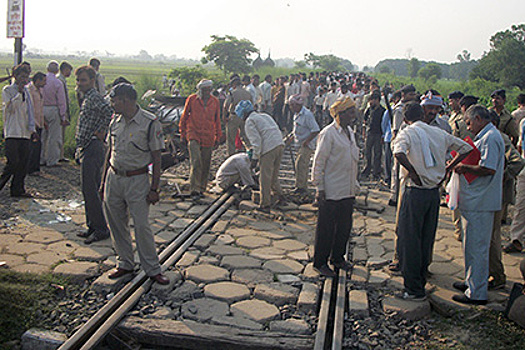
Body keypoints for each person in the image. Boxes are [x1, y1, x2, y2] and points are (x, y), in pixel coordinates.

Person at [393, 102, 472, 301]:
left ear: (405, 118)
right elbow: (465, 148)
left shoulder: (407, 132)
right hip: (433, 193)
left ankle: (413, 289)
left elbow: (398, 152)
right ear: (423, 115)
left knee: (410, 239)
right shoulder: (438, 133)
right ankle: (421, 276)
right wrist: (448, 167)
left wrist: (412, 171)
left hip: (415, 190)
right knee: (426, 237)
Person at [102, 83, 169, 285]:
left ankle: (152, 268)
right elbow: (110, 151)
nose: (112, 104)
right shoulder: (115, 121)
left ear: (126, 100)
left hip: (138, 180)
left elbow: (157, 158)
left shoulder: (149, 122)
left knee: (141, 226)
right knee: (116, 223)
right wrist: (102, 179)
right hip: (114, 178)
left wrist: (155, 188)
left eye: (115, 101)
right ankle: (125, 263)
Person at [452, 105, 505, 305]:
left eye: (469, 123)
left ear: (480, 119)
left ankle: (477, 292)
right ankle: (470, 281)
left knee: (478, 248)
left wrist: (464, 167)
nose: (468, 127)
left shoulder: (491, 137)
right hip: (475, 199)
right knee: (470, 245)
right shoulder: (485, 135)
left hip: (482, 201)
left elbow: (488, 168)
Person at [311, 96, 359, 277]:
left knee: (344, 226)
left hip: (347, 189)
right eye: (350, 112)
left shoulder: (350, 132)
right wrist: (319, 188)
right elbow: (319, 162)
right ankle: (320, 262)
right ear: (340, 114)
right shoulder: (328, 133)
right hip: (331, 189)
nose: (353, 116)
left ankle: (338, 258)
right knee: (326, 228)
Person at [74, 65, 113, 244]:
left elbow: (110, 112)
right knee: (87, 189)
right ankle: (92, 225)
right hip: (86, 146)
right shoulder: (87, 97)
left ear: (92, 80)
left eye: (83, 80)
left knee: (91, 189)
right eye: (78, 80)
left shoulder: (95, 97)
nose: (80, 83)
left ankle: (100, 229)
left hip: (93, 145)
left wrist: (102, 130)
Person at [235, 100, 284, 213]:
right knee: (274, 175)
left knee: (264, 178)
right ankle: (280, 197)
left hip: (269, 148)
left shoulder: (249, 122)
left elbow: (257, 143)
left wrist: (254, 160)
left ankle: (265, 204)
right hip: (279, 144)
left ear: (243, 114)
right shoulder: (264, 115)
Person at [179, 79, 222, 200]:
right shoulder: (192, 99)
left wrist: (218, 136)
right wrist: (182, 134)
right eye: (204, 90)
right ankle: (194, 188)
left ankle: (202, 187)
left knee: (206, 163)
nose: (206, 92)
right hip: (193, 133)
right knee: (196, 161)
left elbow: (217, 120)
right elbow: (184, 116)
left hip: (208, 135)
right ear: (200, 90)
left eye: (208, 90)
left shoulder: (215, 102)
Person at [0, 64, 36, 197]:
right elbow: (10, 108)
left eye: (26, 76)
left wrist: (32, 129)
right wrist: (18, 93)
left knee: (23, 163)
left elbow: (29, 112)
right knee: (12, 162)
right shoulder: (8, 90)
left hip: (25, 132)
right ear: (15, 76)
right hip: (12, 131)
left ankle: (18, 189)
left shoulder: (28, 93)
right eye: (21, 76)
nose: (24, 79)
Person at [286, 95, 320, 194]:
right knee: (299, 165)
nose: (291, 108)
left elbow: (315, 130)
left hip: (307, 144)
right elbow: (295, 130)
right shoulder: (296, 114)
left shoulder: (307, 115)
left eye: (292, 105)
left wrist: (307, 141)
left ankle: (301, 187)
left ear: (298, 105)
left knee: (301, 164)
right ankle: (300, 185)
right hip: (299, 143)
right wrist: (290, 137)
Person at [41, 61, 67, 167]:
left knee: (42, 136)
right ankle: (52, 160)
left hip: (41, 108)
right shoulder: (57, 83)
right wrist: (63, 115)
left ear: (47, 69)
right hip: (53, 109)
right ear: (57, 71)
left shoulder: (42, 80)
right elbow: (61, 101)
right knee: (54, 136)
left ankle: (41, 158)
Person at [223, 75, 252, 156]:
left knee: (231, 138)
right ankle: (249, 152)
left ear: (234, 84)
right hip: (245, 117)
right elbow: (252, 105)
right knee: (245, 136)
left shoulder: (232, 93)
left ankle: (231, 155)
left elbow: (225, 106)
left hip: (234, 116)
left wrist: (224, 116)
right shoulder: (247, 93)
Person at [361, 91, 385, 180]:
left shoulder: (383, 111)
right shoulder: (369, 109)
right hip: (369, 132)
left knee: (377, 153)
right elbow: (364, 120)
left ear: (378, 100)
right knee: (367, 152)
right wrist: (364, 131)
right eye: (370, 100)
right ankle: (366, 170)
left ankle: (376, 172)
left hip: (378, 133)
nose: (371, 102)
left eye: (373, 100)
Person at [27, 72, 47, 176]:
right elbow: (30, 108)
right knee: (33, 146)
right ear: (38, 80)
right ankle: (31, 168)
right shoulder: (30, 90)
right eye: (44, 80)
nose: (45, 83)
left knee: (38, 146)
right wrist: (33, 123)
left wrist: (43, 121)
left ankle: (35, 167)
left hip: (39, 122)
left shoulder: (39, 90)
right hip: (33, 123)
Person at [58, 61, 73, 162]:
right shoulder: (60, 80)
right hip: (61, 110)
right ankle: (59, 156)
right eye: (69, 70)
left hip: (62, 110)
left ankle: (60, 154)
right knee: (59, 134)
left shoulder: (61, 80)